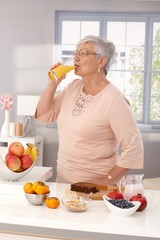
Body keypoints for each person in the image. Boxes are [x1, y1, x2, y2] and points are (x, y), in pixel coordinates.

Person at [35, 35, 144, 186]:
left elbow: (134, 148)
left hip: (96, 189)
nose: (76, 58)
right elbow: (43, 116)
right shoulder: (73, 87)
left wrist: (107, 180)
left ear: (101, 61)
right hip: (63, 183)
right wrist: (52, 84)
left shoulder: (114, 100)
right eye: (76, 53)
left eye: (83, 53)